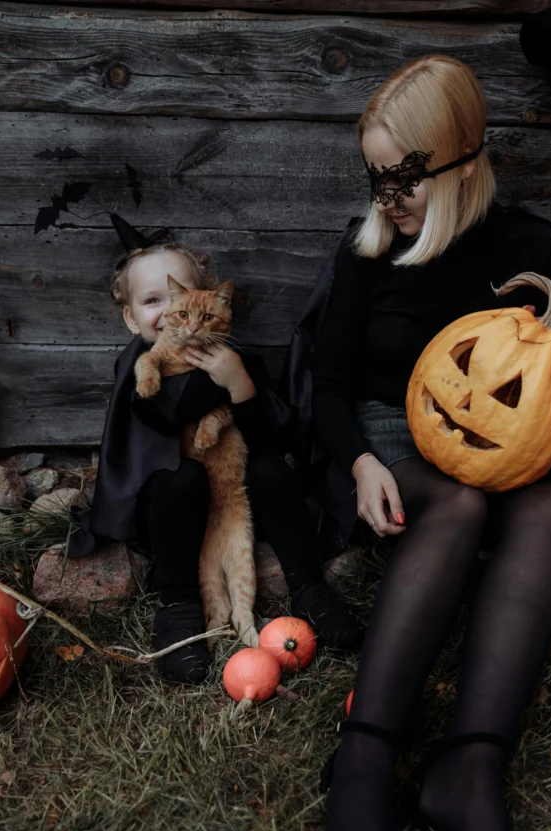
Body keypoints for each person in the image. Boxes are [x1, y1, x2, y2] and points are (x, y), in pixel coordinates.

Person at [311, 55, 551, 831]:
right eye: (374, 176)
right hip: (390, 440)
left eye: (403, 177)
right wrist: (357, 459)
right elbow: (326, 386)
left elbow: (534, 401)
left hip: (490, 443)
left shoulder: (531, 251)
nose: (387, 196)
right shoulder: (370, 249)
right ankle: (363, 760)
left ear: (463, 160)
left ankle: (466, 771)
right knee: (462, 506)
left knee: (546, 506)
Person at [69, 221, 363, 685]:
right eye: (152, 302)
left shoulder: (234, 355)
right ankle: (179, 602)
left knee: (272, 473)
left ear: (205, 298)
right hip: (175, 507)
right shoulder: (138, 368)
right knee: (177, 479)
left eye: (180, 299)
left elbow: (274, 436)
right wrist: (211, 383)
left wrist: (240, 383)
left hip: (231, 491)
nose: (171, 314)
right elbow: (160, 416)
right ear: (130, 319)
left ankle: (307, 584)